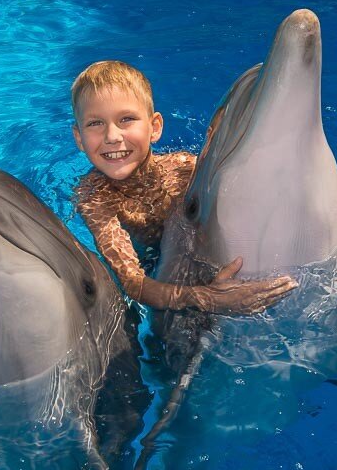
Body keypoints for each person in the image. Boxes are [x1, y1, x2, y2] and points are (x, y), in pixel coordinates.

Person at [72, 60, 297, 315]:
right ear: (78, 137)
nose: (112, 136)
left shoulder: (183, 167)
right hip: (155, 270)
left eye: (126, 119)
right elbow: (134, 284)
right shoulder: (95, 198)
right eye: (95, 124)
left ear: (154, 128)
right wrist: (207, 298)